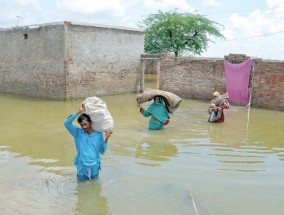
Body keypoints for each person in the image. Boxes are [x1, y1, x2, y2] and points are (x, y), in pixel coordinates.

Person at [64, 104, 113, 181]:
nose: (83, 127)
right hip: (81, 164)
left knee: (95, 184)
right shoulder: (77, 133)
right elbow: (66, 123)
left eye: (85, 124)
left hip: (95, 165)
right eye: (81, 125)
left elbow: (102, 151)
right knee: (81, 184)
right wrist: (78, 112)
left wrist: (106, 139)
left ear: (90, 122)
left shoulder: (98, 134)